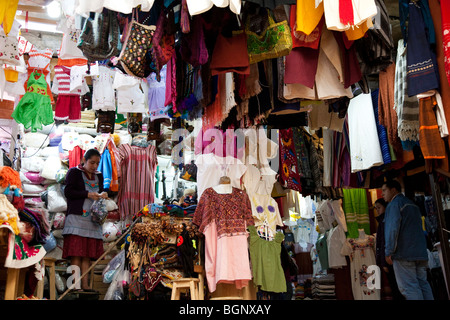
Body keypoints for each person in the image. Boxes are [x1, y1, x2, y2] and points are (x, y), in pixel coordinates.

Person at [62, 148, 108, 292]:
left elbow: (100, 191)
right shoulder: (74, 172)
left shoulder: (99, 176)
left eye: (97, 163)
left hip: (92, 220)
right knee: (76, 253)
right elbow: (68, 192)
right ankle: (74, 285)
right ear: (84, 160)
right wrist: (87, 194)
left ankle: (85, 285)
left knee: (87, 255)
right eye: (92, 162)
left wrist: (103, 194)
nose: (94, 166)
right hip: (76, 218)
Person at [382, 180, 434, 300]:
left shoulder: (394, 204)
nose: (382, 194)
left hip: (403, 254)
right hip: (420, 253)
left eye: (384, 190)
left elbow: (392, 230)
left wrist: (388, 251)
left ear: (393, 190)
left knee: (409, 288)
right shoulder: (412, 204)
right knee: (423, 285)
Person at [374, 198, 403, 300]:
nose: (377, 210)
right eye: (376, 208)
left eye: (379, 207)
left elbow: (384, 242)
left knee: (396, 285)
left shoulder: (385, 221)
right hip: (390, 257)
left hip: (390, 258)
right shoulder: (383, 220)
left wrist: (383, 262)